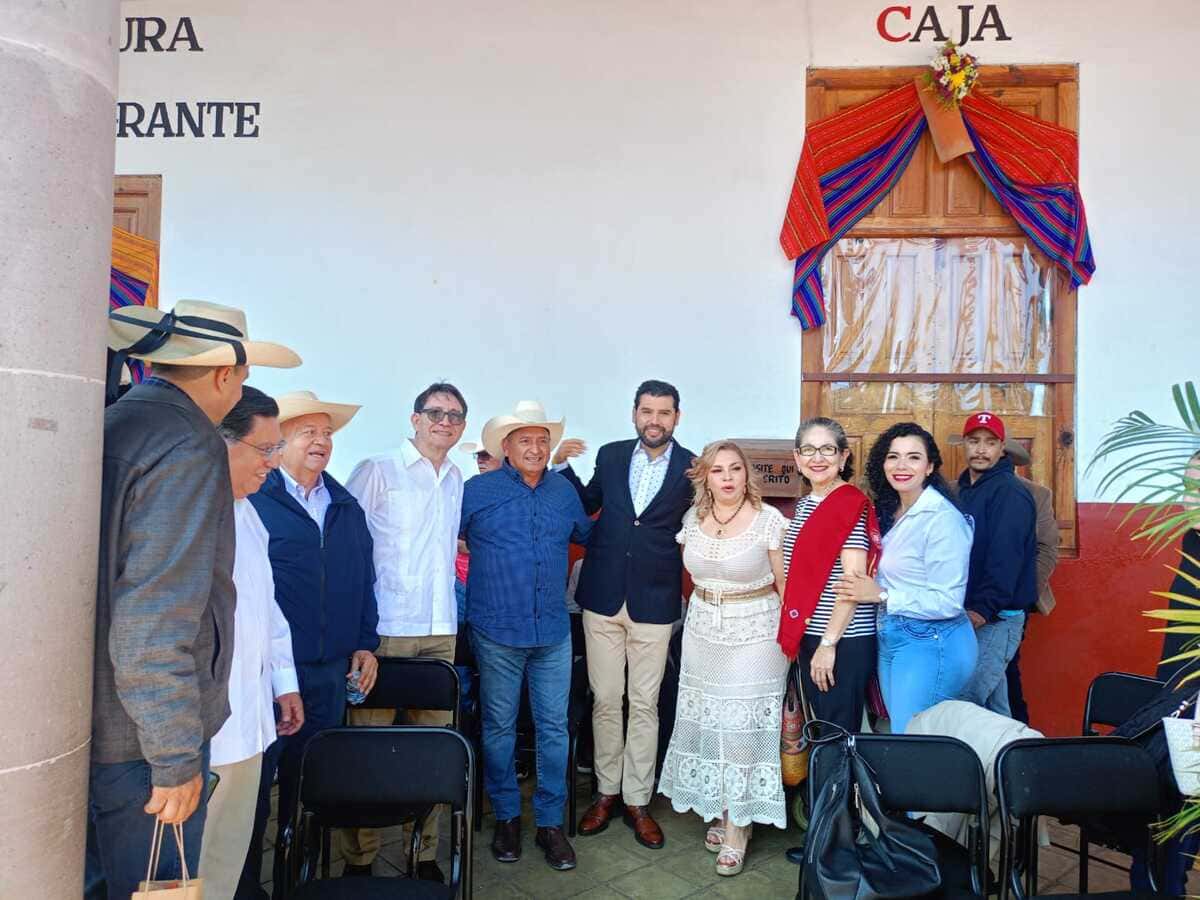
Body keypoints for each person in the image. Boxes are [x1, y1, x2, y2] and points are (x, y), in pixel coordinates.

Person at [90, 301, 299, 900]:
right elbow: (152, 619)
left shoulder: (122, 421)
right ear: (225, 374)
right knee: (163, 889)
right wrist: (176, 756)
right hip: (142, 745)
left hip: (110, 726)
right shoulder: (187, 444)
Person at [241, 391, 379, 898]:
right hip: (266, 675)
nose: (321, 441)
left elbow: (364, 577)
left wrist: (365, 642)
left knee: (312, 789)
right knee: (255, 793)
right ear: (278, 442)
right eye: (308, 432)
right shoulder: (254, 501)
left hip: (327, 674)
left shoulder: (345, 506)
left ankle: (299, 883)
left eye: (327, 433)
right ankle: (246, 887)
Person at [554, 380, 696, 850]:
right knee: (605, 699)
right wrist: (562, 467)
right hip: (602, 598)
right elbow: (588, 505)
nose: (654, 420)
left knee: (645, 703)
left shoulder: (693, 467)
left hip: (655, 602)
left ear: (676, 417)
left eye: (664, 412)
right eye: (647, 411)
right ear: (634, 413)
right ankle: (606, 792)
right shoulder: (611, 456)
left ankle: (637, 800)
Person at [341, 382, 468, 882]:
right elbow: (350, 548)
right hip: (385, 632)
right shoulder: (377, 470)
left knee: (432, 749)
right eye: (435, 412)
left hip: (440, 631)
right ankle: (360, 859)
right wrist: (359, 633)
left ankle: (424, 852)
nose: (445, 422)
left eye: (455, 415)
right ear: (415, 419)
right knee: (367, 748)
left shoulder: (456, 478)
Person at [459, 401, 594, 872]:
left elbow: (588, 535)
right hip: (496, 630)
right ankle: (507, 817)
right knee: (499, 728)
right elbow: (441, 537)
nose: (535, 448)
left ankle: (550, 824)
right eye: (525, 440)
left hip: (552, 631)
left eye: (542, 440)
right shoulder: (476, 491)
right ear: (506, 447)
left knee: (554, 728)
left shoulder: (562, 491)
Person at [658, 440, 790, 877]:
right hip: (703, 632)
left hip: (756, 632)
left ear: (747, 474)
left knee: (740, 730)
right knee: (710, 722)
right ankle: (722, 808)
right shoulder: (692, 520)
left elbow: (786, 584)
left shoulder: (769, 520)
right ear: (705, 477)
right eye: (718, 470)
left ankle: (739, 828)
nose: (728, 477)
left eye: (736, 468)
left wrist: (797, 638)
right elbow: (693, 576)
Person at [201, 387, 305, 900]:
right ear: (221, 442)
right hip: (204, 738)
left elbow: (268, 610)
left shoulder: (249, 513)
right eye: (265, 449)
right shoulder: (191, 513)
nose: (273, 461)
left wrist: (284, 683)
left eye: (276, 448)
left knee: (226, 863)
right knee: (183, 871)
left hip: (252, 726)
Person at [833, 423, 976, 735]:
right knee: (900, 734)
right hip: (894, 634)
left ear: (930, 467)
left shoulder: (942, 519)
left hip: (932, 640)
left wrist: (882, 595)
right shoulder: (890, 510)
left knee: (913, 737)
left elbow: (949, 601)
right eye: (893, 456)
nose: (901, 466)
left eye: (913, 457)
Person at [779, 417, 881, 734]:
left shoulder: (849, 506)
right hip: (812, 632)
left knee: (837, 733)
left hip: (842, 640)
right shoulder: (805, 505)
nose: (818, 458)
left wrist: (828, 644)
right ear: (797, 458)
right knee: (822, 731)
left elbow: (853, 584)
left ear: (843, 456)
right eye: (809, 450)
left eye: (827, 449)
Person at [954, 413, 1038, 718]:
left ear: (1002, 448)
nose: (981, 449)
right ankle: (1018, 748)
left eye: (990, 443)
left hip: (994, 617)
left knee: (968, 703)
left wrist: (982, 609)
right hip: (969, 612)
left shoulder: (1010, 492)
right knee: (996, 706)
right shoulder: (964, 490)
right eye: (974, 441)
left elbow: (1006, 557)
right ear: (964, 444)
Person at [1000, 439, 1060, 724]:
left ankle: (1018, 739)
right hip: (963, 603)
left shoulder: (1036, 494)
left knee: (1007, 672)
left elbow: (1046, 548)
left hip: (1012, 603)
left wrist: (1021, 595)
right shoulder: (958, 490)